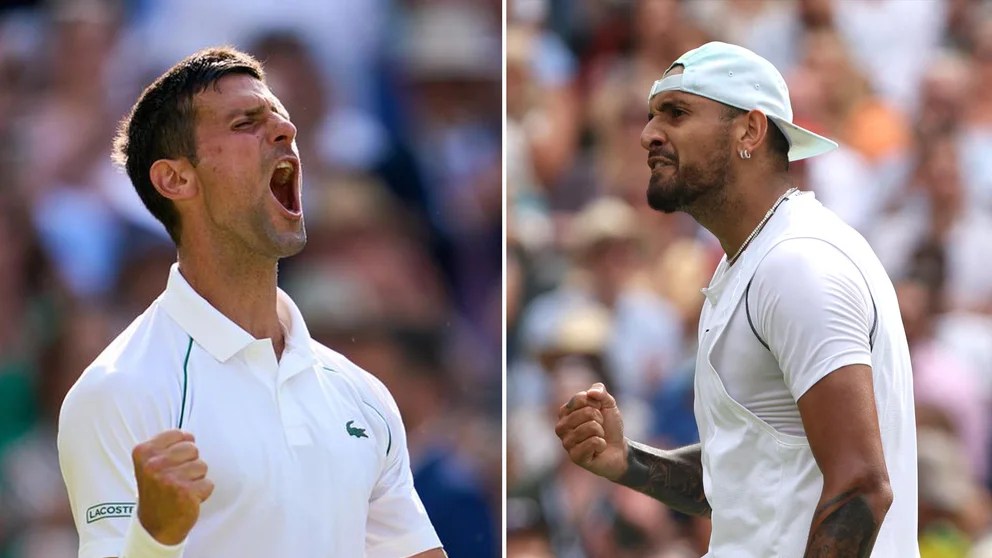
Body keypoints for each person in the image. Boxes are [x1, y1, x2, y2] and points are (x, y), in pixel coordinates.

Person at [56, 47, 446, 558]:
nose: (287, 131)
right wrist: (155, 539)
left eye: (281, 118)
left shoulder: (364, 395)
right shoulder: (116, 391)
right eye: (246, 123)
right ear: (175, 178)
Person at [555, 42, 918, 556]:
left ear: (750, 130)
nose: (647, 134)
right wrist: (625, 459)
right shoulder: (751, 262)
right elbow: (747, 474)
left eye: (676, 113)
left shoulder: (796, 264)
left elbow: (861, 487)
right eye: (652, 115)